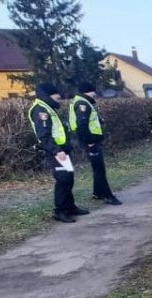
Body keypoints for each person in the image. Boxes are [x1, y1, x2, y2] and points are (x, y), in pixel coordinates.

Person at [28, 83, 89, 223]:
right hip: (56, 151)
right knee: (62, 180)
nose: (59, 99)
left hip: (62, 149)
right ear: (49, 95)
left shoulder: (47, 108)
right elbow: (44, 135)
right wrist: (57, 151)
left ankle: (70, 207)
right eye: (57, 96)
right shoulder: (40, 110)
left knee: (68, 179)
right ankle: (60, 211)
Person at [69, 82, 122, 205]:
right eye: (93, 91)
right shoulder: (83, 104)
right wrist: (90, 141)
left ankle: (97, 193)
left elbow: (87, 121)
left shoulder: (83, 102)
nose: (95, 93)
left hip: (91, 140)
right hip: (90, 142)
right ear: (88, 91)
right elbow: (82, 126)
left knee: (97, 168)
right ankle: (107, 195)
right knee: (99, 169)